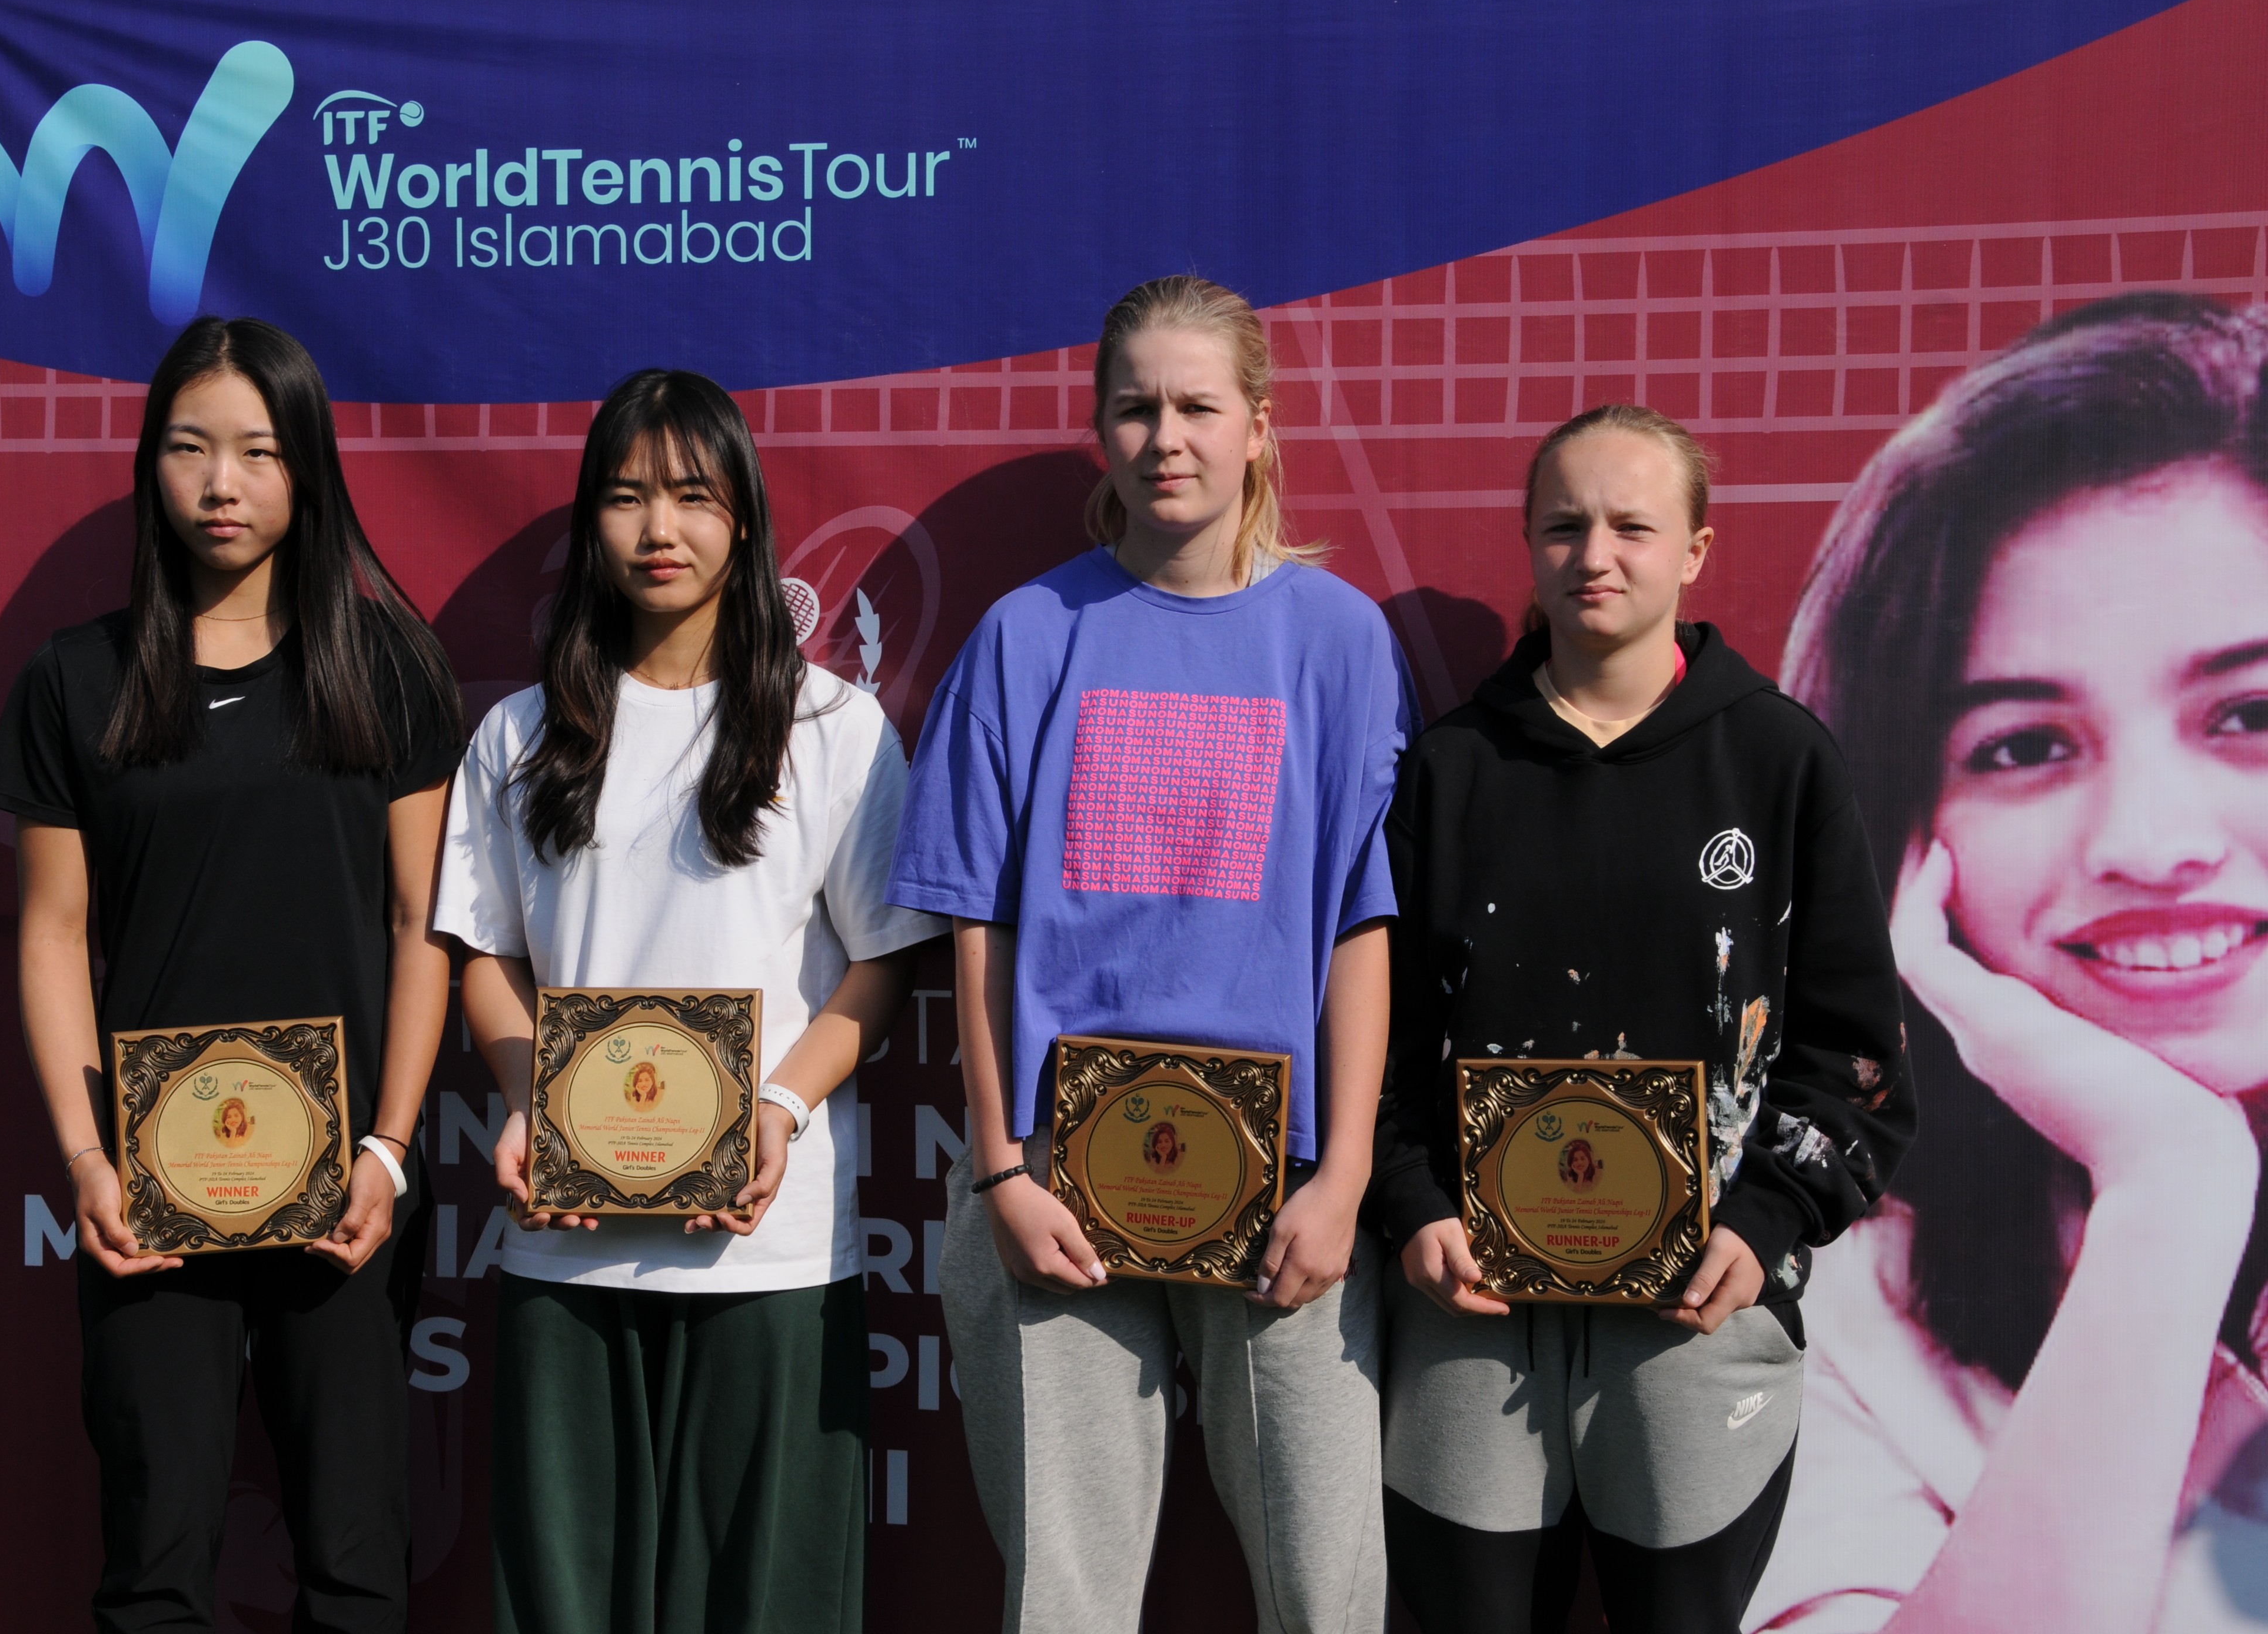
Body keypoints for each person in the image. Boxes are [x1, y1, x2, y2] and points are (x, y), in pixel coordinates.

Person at [888, 275, 1411, 1634]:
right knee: (1062, 1600)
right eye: (1134, 407)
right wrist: (1000, 1166)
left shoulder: (1341, 641)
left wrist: (1345, 1172)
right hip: (1056, 1181)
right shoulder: (1022, 635)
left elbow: (1361, 926)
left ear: (1257, 427)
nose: (1164, 435)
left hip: (1287, 1185)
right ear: (1099, 431)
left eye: (1194, 405)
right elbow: (973, 932)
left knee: (1327, 1592)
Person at [1747, 292, 2268, 1633]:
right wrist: (2167, 1186)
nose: (2150, 843)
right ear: (1906, 835)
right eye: (2024, 745)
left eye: (2249, 712)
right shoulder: (1821, 1303)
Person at [1371, 403, 1914, 1634]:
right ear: (1526, 543)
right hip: (1471, 1319)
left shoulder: (1779, 760)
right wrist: (1410, 1207)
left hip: (1694, 1319)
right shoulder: (1450, 769)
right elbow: (1382, 1041)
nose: (1594, 554)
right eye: (1563, 525)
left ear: (1695, 550)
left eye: (1631, 525)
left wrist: (1766, 1215)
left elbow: (1856, 1058)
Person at [434, 368, 940, 1634]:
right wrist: (520, 1098)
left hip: (764, 1256)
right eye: (625, 495)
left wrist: (775, 1101)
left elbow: (879, 962)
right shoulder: (516, 734)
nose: (659, 528)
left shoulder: (835, 727)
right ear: (588, 523)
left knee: (765, 1600)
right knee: (564, 1600)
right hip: (565, 1240)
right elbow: (484, 953)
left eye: (692, 496)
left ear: (745, 518)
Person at [0, 315, 463, 1632]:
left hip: (343, 1195)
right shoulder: (72, 682)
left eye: (257, 451)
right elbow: (47, 934)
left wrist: (387, 1147)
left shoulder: (386, 668)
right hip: (149, 1194)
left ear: (306, 469)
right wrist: (91, 1158)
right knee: (154, 1562)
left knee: (358, 1565)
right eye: (190, 448)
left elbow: (425, 921)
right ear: (151, 468)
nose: (220, 483)